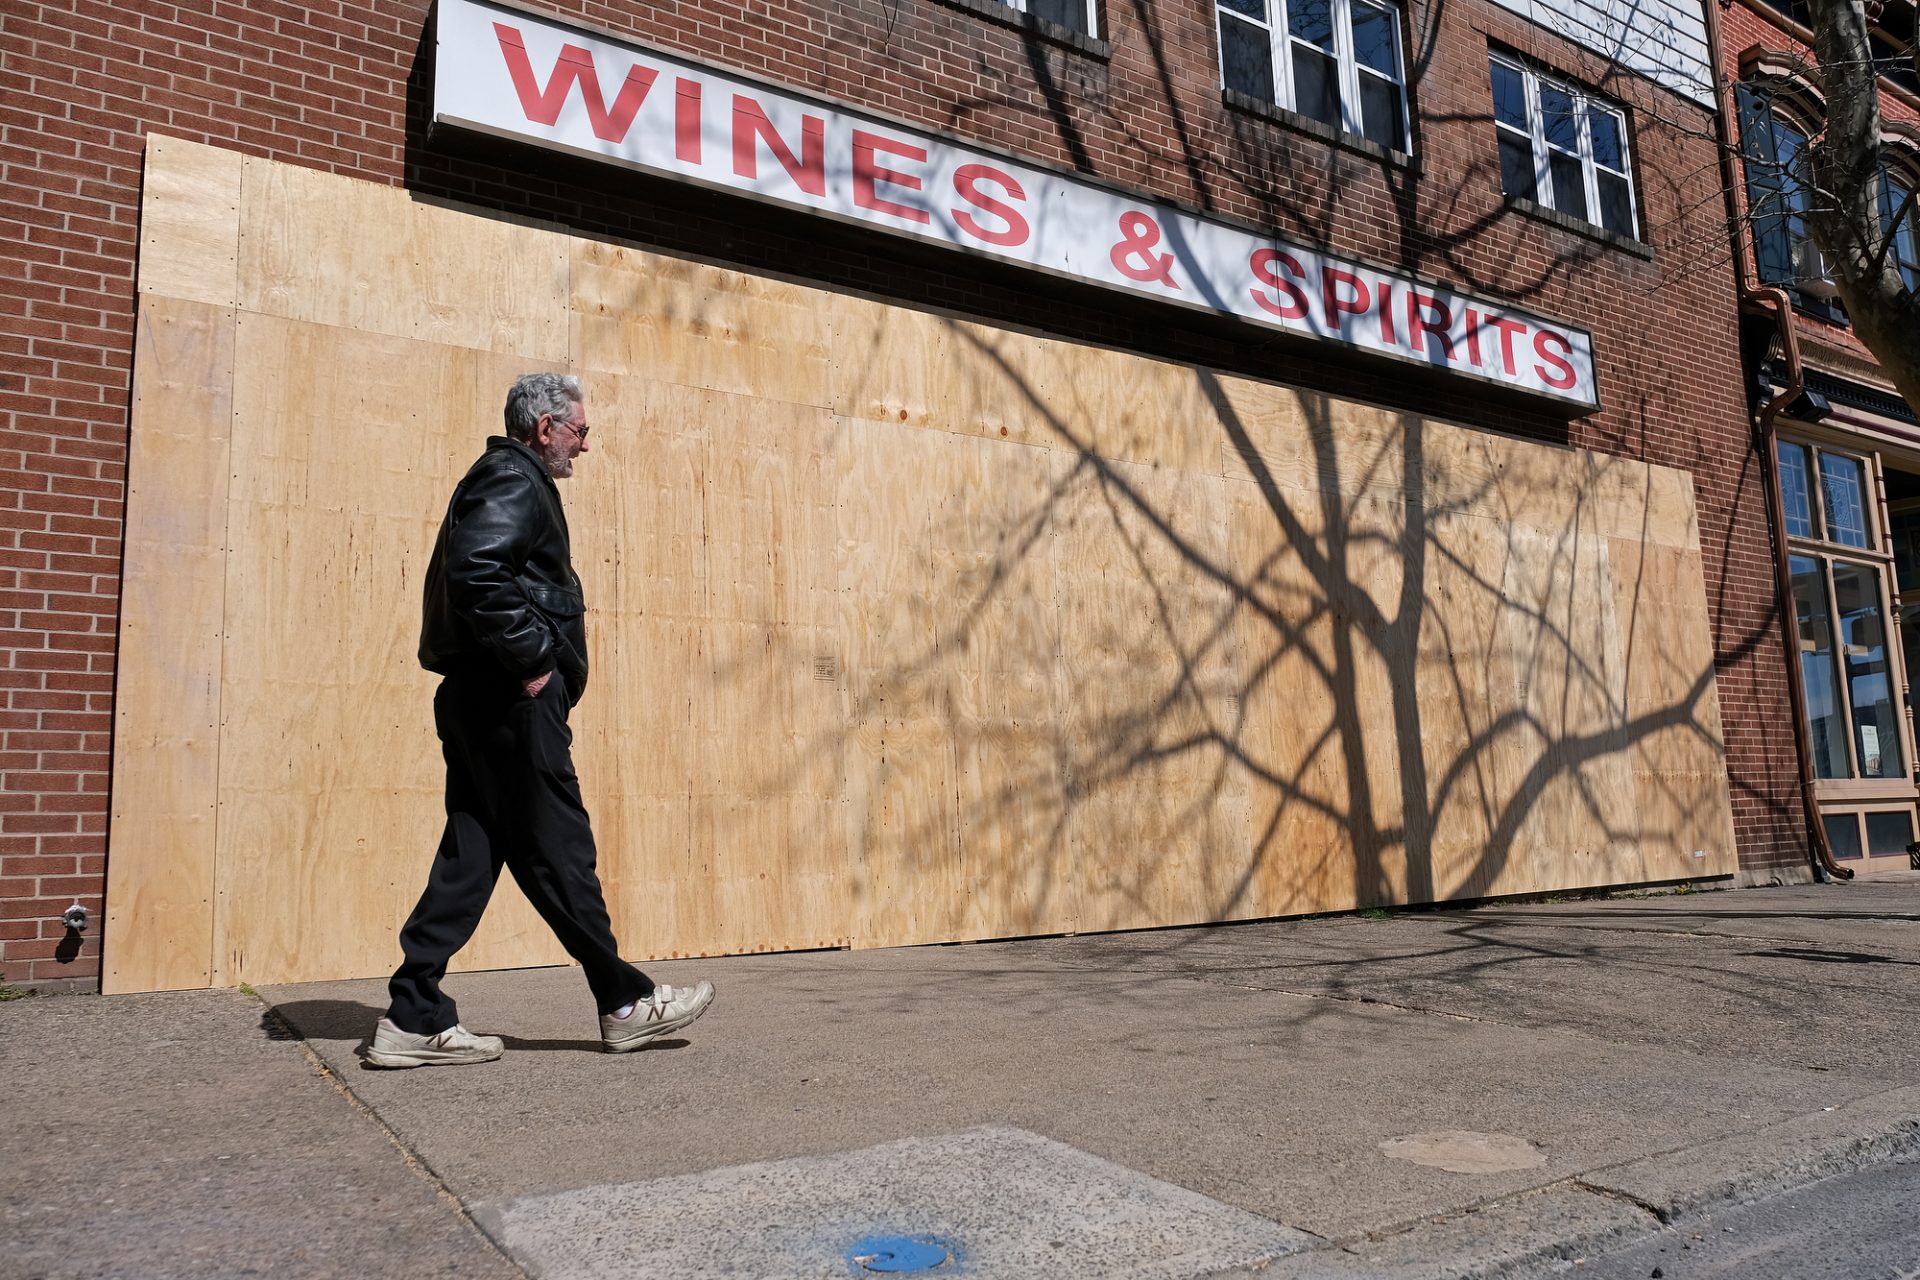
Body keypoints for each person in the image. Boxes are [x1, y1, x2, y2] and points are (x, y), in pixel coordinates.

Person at [368, 373, 713, 1068]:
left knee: (472, 854)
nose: (585, 445)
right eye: (579, 431)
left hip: (481, 695)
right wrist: (534, 661)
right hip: (508, 697)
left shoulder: (507, 477)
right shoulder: (514, 479)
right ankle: (624, 1003)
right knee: (560, 848)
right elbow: (477, 571)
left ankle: (413, 1015)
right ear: (544, 426)